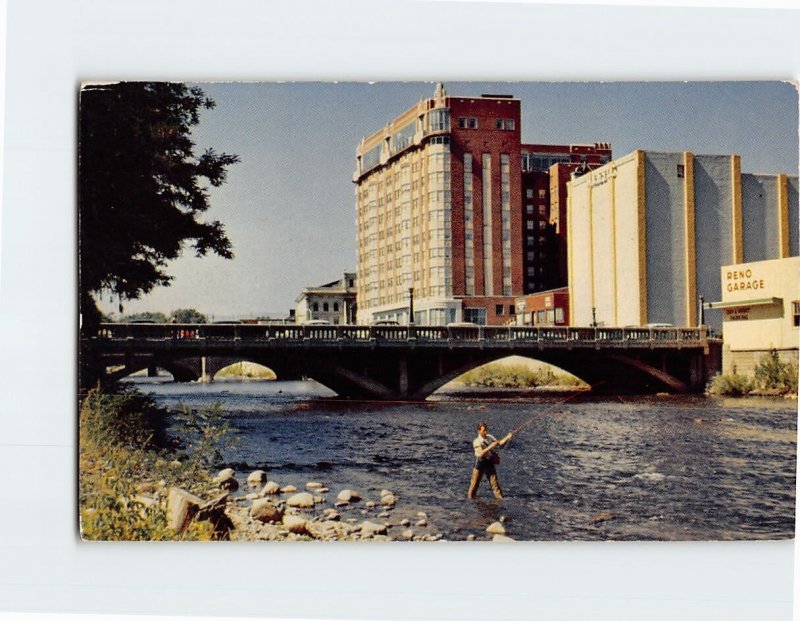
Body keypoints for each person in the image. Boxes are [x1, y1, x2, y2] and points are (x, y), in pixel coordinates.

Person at [467, 422, 512, 499]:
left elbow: (499, 443)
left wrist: (507, 437)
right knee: (474, 485)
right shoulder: (476, 441)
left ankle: (500, 499)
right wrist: (490, 446)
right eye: (484, 430)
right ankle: (470, 500)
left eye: (486, 430)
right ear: (479, 431)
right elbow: (481, 454)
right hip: (480, 463)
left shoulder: (489, 437)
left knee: (495, 484)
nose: (486, 432)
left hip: (489, 462)